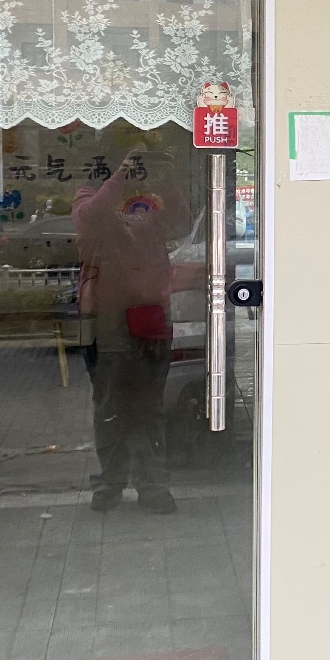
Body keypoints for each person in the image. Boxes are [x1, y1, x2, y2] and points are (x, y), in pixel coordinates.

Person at [72, 145, 190, 515]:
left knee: (149, 408)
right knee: (110, 408)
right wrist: (120, 177)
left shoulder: (153, 201)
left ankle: (152, 486)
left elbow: (182, 225)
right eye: (128, 164)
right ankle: (110, 484)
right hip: (106, 323)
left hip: (151, 318)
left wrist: (167, 182)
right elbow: (89, 218)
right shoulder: (89, 196)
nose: (135, 171)